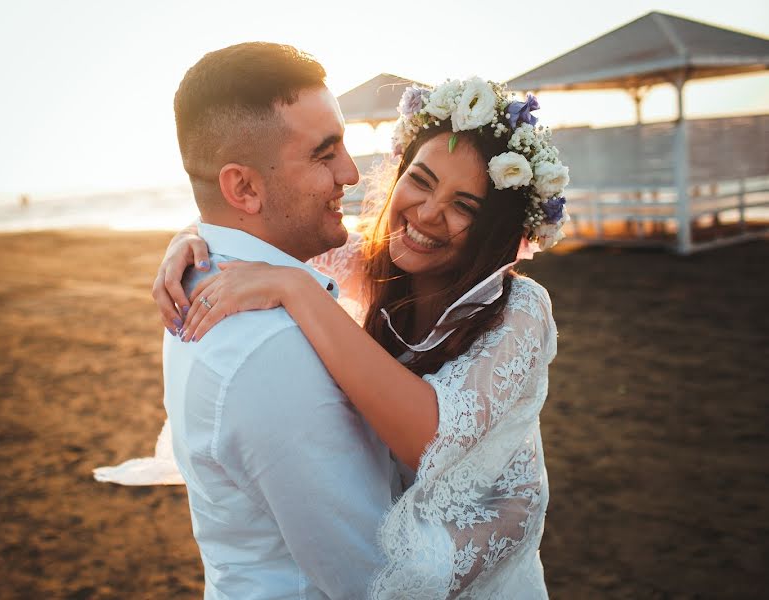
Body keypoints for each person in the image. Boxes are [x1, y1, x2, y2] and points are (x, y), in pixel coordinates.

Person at [150, 75, 570, 598]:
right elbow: (248, 220)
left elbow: (429, 439)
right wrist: (189, 241)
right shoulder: (369, 262)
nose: (428, 212)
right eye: (420, 179)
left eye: (465, 206)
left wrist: (297, 291)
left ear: (498, 231)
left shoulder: (520, 310)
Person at [98, 42, 403, 599]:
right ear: (242, 188)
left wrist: (189, 233)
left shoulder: (202, 271)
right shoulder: (273, 351)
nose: (352, 173)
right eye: (324, 153)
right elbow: (372, 579)